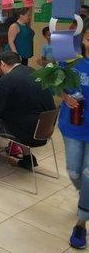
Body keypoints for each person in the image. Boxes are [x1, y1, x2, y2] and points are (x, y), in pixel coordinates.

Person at [0, 52, 55, 171]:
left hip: (27, 131)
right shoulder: (32, 71)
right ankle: (28, 159)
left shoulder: (8, 79)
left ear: (2, 64)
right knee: (19, 116)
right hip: (44, 129)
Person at [59, 21, 89, 249]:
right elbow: (55, 83)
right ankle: (85, 197)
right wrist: (64, 96)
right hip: (73, 125)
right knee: (73, 171)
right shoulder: (72, 61)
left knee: (88, 174)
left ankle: (80, 224)